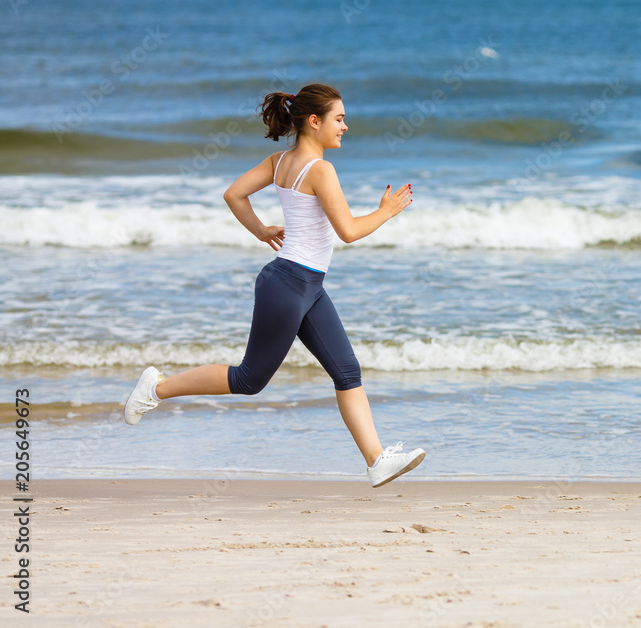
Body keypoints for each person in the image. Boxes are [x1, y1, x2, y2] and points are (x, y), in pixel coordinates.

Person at [123, 83, 425, 488]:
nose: (345, 127)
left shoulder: (281, 160)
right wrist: (386, 211)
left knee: (347, 371)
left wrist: (261, 230)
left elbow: (234, 195)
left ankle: (376, 461)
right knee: (249, 379)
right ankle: (157, 388)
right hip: (289, 284)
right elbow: (349, 231)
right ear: (314, 122)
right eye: (339, 119)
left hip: (305, 285)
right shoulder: (320, 170)